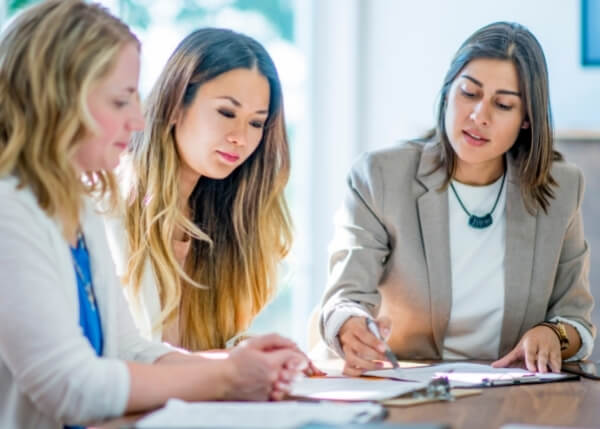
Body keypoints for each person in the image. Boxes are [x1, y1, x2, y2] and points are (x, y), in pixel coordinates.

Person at [0, 2, 306, 428]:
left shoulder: (76, 205)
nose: (140, 120)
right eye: (121, 100)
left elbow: (128, 348)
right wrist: (226, 377)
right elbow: (71, 387)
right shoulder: (9, 213)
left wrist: (246, 367)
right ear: (56, 99)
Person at [319, 21, 595, 376]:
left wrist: (552, 334)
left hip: (510, 392)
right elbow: (344, 297)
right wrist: (350, 325)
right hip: (406, 385)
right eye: (469, 93)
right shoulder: (379, 176)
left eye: (503, 104)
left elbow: (576, 320)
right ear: (448, 92)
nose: (480, 116)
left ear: (526, 119)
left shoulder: (561, 187)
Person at [106, 28, 294, 352]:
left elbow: (203, 348)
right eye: (226, 112)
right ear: (176, 105)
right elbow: (122, 356)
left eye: (256, 122)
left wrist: (246, 349)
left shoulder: (224, 219)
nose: (241, 137)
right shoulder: (112, 210)